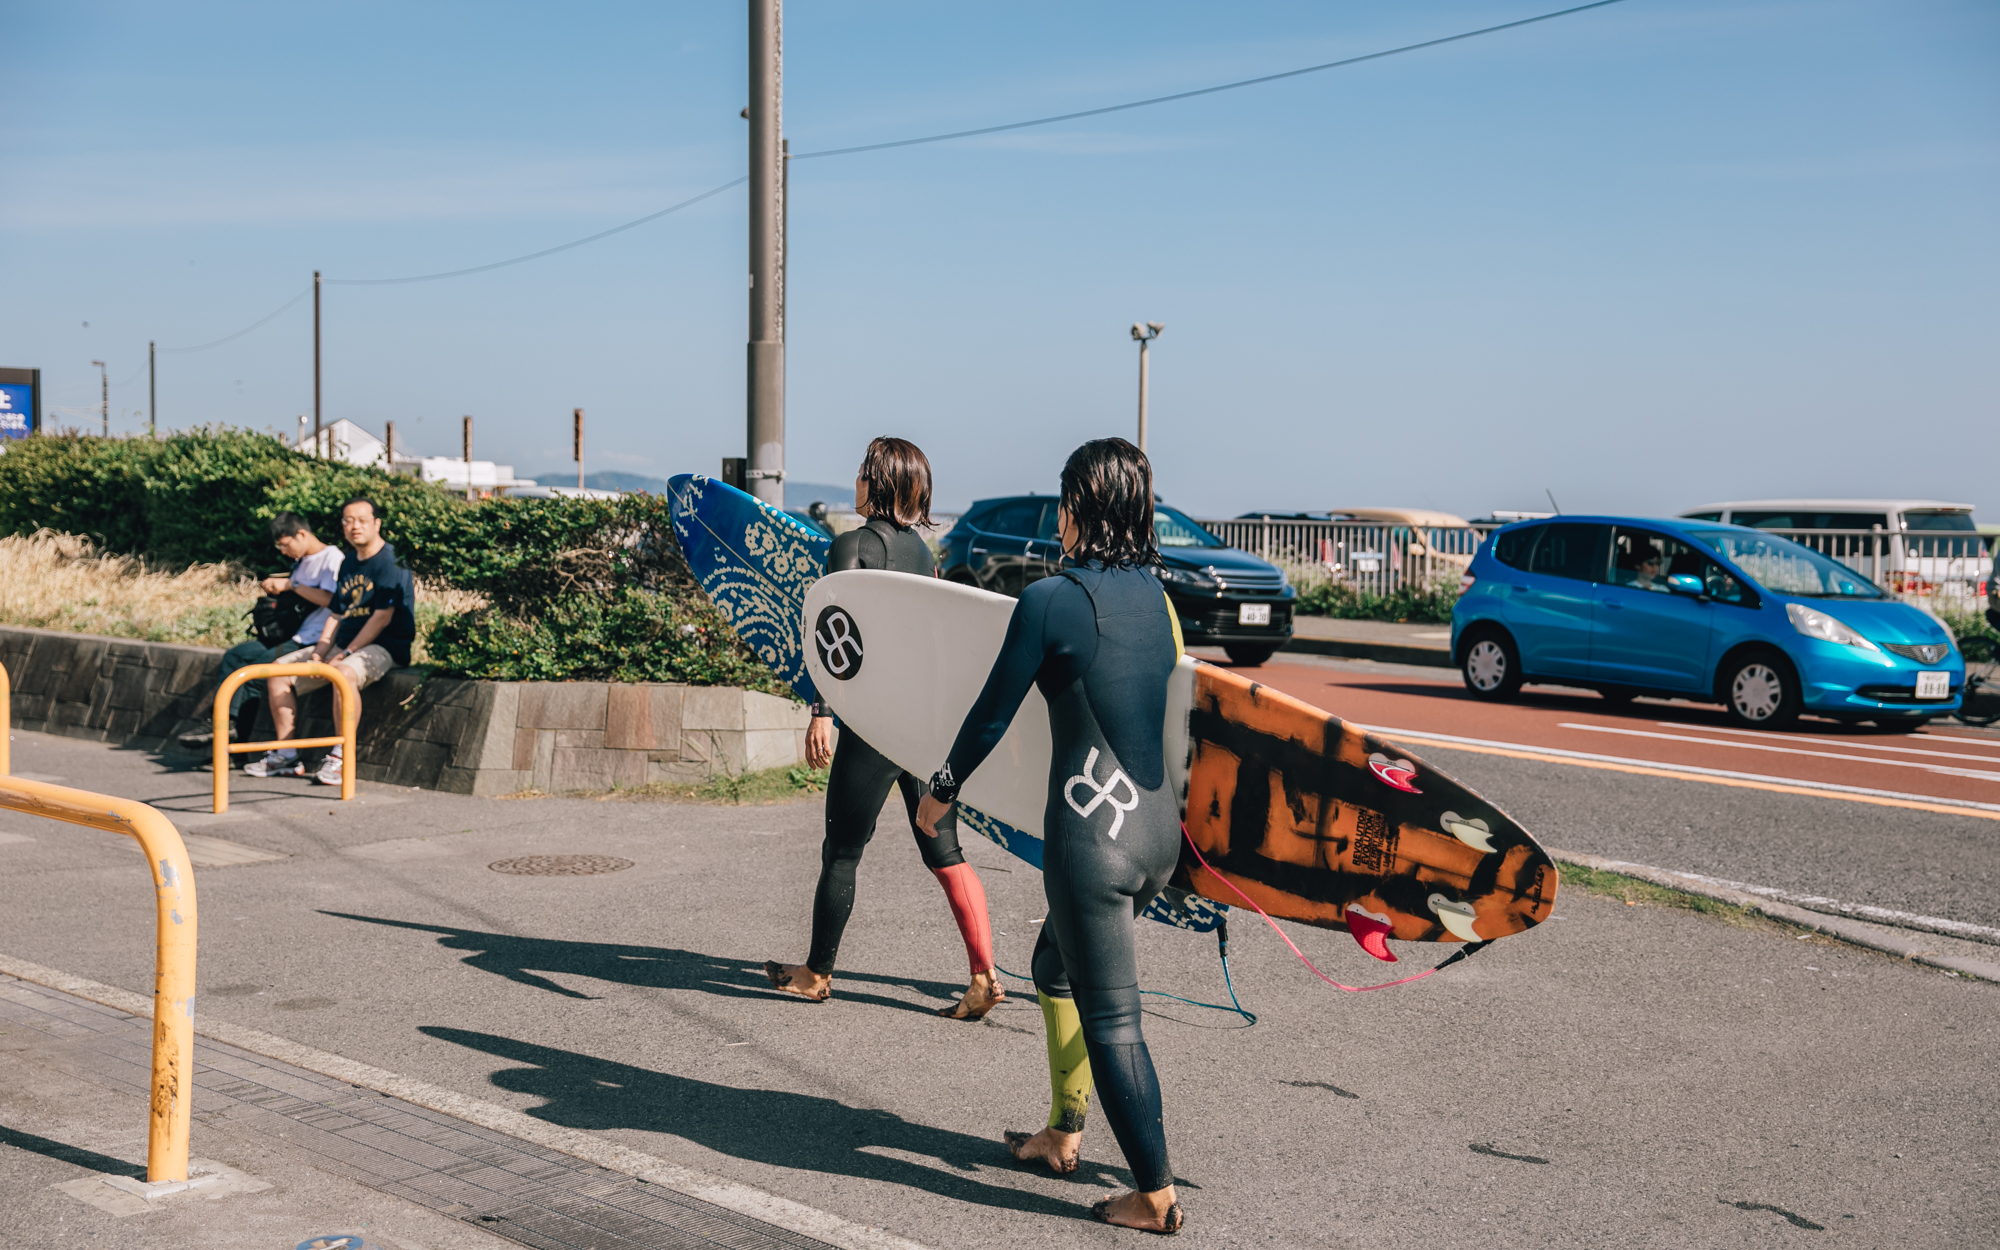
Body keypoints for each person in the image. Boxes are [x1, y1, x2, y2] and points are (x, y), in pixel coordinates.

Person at [916, 438, 1185, 1234]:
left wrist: (939, 798)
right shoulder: (1157, 598)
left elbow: (990, 715)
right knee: (1051, 967)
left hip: (1093, 839)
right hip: (1157, 832)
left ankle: (1155, 1195)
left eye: (1065, 503)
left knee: (1115, 1021)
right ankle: (1063, 1133)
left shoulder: (1051, 601)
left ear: (1080, 511)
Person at [763, 437, 1005, 1021]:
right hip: (925, 732)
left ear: (877, 484)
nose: (856, 481)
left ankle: (817, 974)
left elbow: (833, 636)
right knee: (944, 851)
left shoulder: (851, 545)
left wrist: (822, 711)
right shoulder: (925, 555)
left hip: (876, 729)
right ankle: (984, 975)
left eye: (862, 473)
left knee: (842, 851)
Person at [247, 497, 416, 787]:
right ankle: (286, 754)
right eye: (348, 521)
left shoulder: (392, 561)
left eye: (362, 520)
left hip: (385, 645)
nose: (355, 526)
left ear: (376, 523)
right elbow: (337, 612)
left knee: (342, 674)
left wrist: (344, 653)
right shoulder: (349, 561)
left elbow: (381, 618)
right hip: (344, 643)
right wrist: (322, 651)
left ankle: (341, 756)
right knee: (277, 673)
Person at [180, 513, 342, 751]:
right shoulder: (302, 561)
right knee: (236, 655)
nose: (283, 552)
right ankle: (225, 728)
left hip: (311, 637)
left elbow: (332, 600)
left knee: (256, 671)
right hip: (287, 633)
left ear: (302, 534)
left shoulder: (332, 558)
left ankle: (230, 734)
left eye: (285, 545)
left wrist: (291, 585)